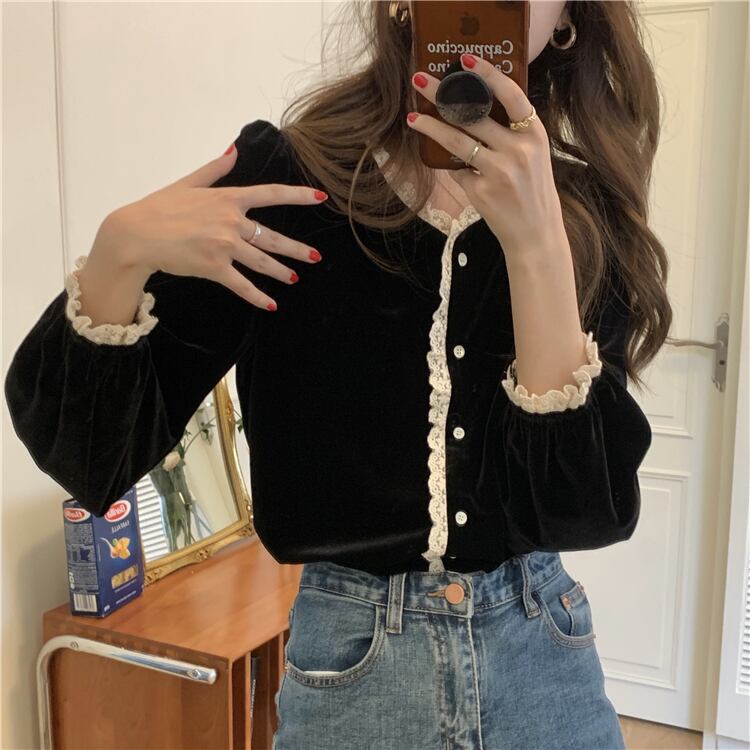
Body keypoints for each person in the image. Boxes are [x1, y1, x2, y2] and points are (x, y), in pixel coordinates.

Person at [5, 1, 671, 747]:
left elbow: (584, 510)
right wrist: (117, 254)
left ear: (568, 18)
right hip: (352, 675)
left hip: (542, 661)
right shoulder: (290, 186)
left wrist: (537, 243)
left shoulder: (585, 214)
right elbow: (90, 457)